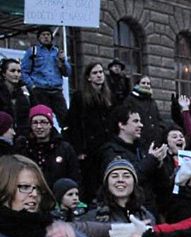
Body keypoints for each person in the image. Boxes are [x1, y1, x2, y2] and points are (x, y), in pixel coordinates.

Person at [99, 105, 172, 216]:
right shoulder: (111, 151)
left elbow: (162, 185)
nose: (141, 125)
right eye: (135, 121)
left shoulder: (142, 149)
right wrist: (151, 160)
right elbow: (129, 177)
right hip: (125, 211)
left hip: (148, 210)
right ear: (121, 125)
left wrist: (159, 164)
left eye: (140, 121)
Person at [65, 62, 113, 203]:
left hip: (105, 145)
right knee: (90, 183)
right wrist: (79, 149)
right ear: (88, 77)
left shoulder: (108, 97)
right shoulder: (79, 97)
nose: (99, 76)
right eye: (95, 73)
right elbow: (74, 124)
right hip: (88, 149)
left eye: (101, 72)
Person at [16, 104, 80, 188]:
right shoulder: (24, 148)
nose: (39, 126)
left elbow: (74, 176)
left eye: (43, 122)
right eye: (35, 123)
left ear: (50, 125)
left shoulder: (65, 148)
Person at [20, 26, 71, 126]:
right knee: (43, 118)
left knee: (65, 119)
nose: (46, 37)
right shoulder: (33, 51)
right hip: (40, 91)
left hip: (56, 91)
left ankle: (66, 138)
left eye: (48, 35)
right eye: (43, 35)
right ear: (39, 38)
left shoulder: (57, 52)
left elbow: (67, 73)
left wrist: (62, 61)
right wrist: (32, 86)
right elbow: (24, 72)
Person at [124, 75, 162, 149]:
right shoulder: (130, 100)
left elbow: (158, 119)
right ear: (137, 85)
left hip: (154, 142)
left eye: (148, 83)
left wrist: (160, 131)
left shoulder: (152, 102)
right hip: (139, 141)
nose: (146, 85)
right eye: (143, 83)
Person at [0, 58, 32, 137]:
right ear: (4, 73)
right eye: (12, 71)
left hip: (22, 135)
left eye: (19, 71)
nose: (16, 74)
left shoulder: (26, 91)